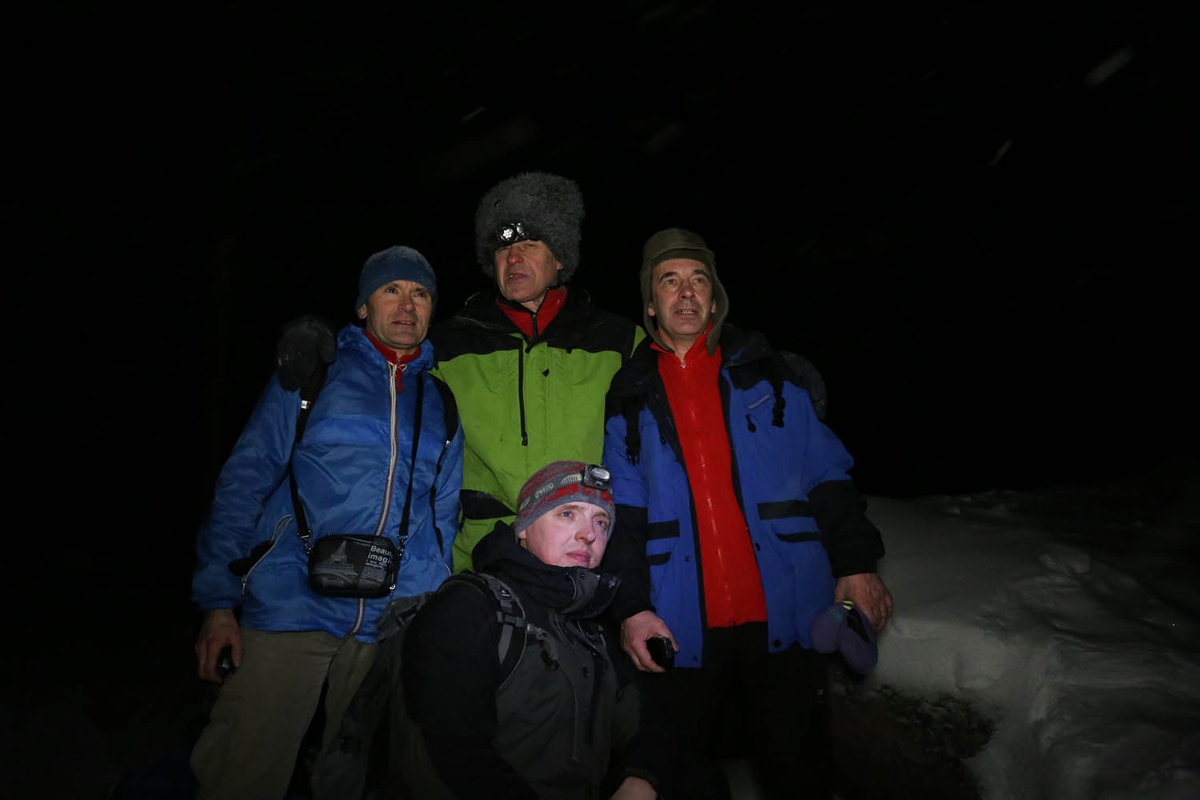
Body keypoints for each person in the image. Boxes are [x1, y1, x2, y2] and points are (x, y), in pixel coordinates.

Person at [601, 228, 894, 800]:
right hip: (683, 622)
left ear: (715, 298)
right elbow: (625, 518)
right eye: (669, 281)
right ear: (651, 303)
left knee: (799, 772)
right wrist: (631, 608)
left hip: (786, 611)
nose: (686, 292)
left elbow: (827, 474)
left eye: (699, 280)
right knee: (684, 775)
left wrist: (857, 563)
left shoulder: (769, 372)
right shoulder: (630, 394)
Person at [189, 245, 465, 800]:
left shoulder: (441, 400)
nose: (406, 305)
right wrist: (219, 602)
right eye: (391, 290)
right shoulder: (314, 374)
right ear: (363, 306)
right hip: (292, 605)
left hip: (385, 624)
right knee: (242, 772)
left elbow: (443, 516)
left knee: (350, 780)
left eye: (420, 294)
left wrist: (430, 614)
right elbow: (244, 481)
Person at [276, 172, 644, 574]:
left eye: (528, 245)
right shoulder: (450, 343)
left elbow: (676, 383)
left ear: (559, 258)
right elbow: (383, 361)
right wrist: (321, 336)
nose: (513, 258)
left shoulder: (619, 341)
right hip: (483, 557)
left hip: (585, 552)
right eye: (502, 249)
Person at [400, 460, 664, 799]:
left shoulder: (596, 622)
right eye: (567, 513)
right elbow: (447, 753)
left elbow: (642, 720)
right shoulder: (469, 609)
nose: (589, 534)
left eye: (601, 521)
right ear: (523, 528)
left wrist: (640, 777)